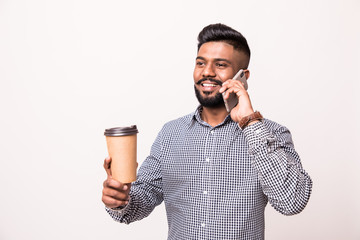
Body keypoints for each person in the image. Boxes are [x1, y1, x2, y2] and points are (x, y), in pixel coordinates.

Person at [102, 23, 312, 240]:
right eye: (200, 63)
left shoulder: (271, 133)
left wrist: (250, 122)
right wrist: (120, 200)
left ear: (243, 76)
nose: (207, 72)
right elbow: (141, 200)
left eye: (220, 65)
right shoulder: (170, 134)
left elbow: (292, 202)